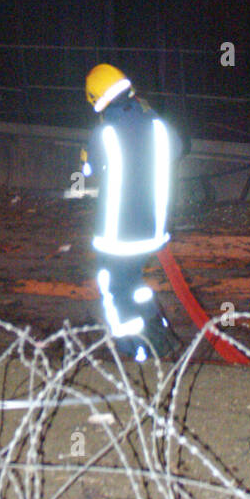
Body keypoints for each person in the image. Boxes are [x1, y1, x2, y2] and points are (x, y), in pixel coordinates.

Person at [81, 63, 184, 362]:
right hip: (152, 229)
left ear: (97, 99)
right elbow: (176, 148)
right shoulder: (156, 124)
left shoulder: (104, 132)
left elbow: (90, 170)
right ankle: (159, 333)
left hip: (117, 233)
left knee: (114, 289)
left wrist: (87, 157)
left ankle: (136, 349)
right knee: (132, 282)